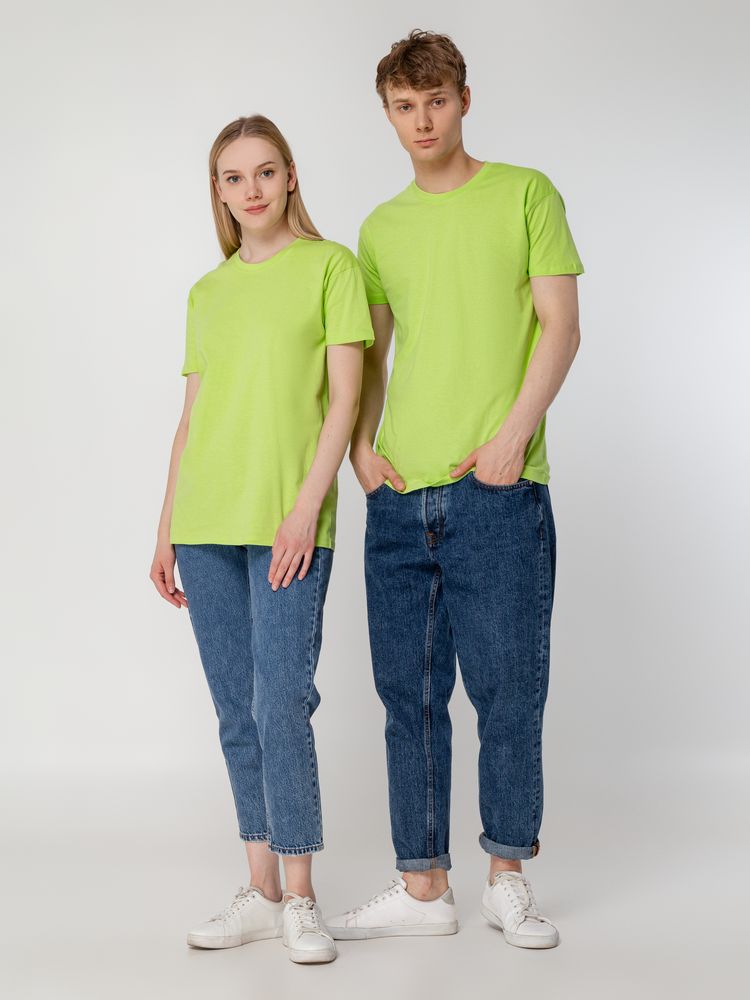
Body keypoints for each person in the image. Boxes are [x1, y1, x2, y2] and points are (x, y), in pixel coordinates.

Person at [327, 30, 584, 949]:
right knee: (409, 697)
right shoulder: (379, 230)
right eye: (404, 106)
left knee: (509, 692)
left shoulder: (525, 193)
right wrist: (361, 450)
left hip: (497, 488)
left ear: (464, 100)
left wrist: (514, 436)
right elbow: (370, 356)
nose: (422, 120)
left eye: (435, 100)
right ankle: (423, 885)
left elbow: (561, 326)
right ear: (388, 114)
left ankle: (507, 878)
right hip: (401, 495)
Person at [149, 114, 374, 965]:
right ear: (218, 191)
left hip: (288, 521)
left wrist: (306, 509)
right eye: (234, 177)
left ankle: (303, 894)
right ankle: (261, 887)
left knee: (283, 702)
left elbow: (345, 400)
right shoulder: (207, 293)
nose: (252, 190)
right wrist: (165, 528)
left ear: (290, 177)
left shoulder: (331, 267)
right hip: (206, 522)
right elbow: (191, 419)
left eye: (266, 172)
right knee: (237, 710)